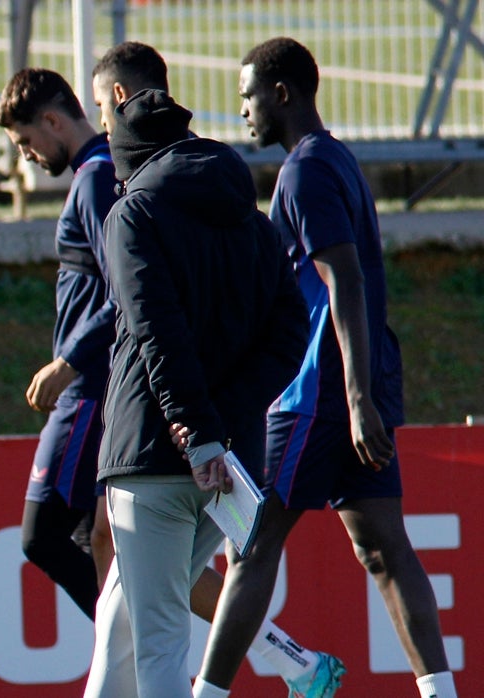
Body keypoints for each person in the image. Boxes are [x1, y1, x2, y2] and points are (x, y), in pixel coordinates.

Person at [188, 37, 458, 698]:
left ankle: (206, 694)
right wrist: (364, 394)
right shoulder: (336, 158)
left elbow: (346, 280)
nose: (242, 109)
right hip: (356, 385)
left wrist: (356, 397)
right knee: (383, 549)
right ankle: (439, 691)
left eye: (249, 95)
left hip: (316, 392)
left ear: (282, 94)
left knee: (253, 548)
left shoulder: (304, 171)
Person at [84, 41, 341, 698]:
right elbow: (289, 332)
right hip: (228, 463)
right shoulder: (250, 221)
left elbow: (156, 334)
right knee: (124, 617)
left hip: (155, 454)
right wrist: (222, 425)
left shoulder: (132, 214)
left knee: (158, 640)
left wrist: (198, 431)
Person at [0, 67, 118, 617]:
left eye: (25, 141)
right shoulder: (100, 174)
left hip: (89, 390)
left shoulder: (95, 180)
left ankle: (130, 652)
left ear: (52, 120)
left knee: (42, 534)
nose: (26, 155)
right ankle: (131, 655)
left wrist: (68, 362)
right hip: (94, 386)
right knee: (102, 545)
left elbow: (127, 292)